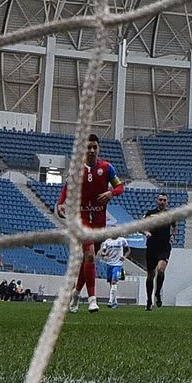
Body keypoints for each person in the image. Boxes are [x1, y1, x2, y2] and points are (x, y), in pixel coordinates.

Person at [55, 133, 124, 313]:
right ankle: (92, 300)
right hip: (82, 218)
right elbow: (66, 188)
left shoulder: (107, 168)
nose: (91, 150)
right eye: (88, 147)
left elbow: (120, 186)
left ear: (99, 149)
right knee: (90, 255)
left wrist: (111, 193)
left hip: (100, 220)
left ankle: (76, 294)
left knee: (88, 259)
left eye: (94, 147)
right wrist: (60, 204)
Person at [140, 192, 176, 311]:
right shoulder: (150, 214)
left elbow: (174, 226)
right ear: (157, 201)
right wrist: (146, 232)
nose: (162, 202)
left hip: (164, 247)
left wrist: (172, 235)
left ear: (167, 202)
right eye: (160, 200)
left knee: (161, 269)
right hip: (151, 246)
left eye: (164, 200)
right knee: (150, 275)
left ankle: (158, 293)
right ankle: (149, 301)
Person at [98, 234, 130, 308]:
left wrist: (124, 257)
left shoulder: (122, 240)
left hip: (118, 264)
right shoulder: (107, 241)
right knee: (111, 283)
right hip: (109, 264)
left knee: (114, 281)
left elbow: (128, 250)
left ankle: (110, 301)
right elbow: (102, 253)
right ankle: (114, 302)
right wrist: (105, 253)